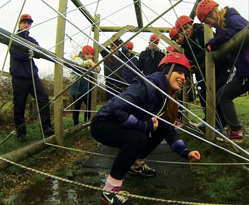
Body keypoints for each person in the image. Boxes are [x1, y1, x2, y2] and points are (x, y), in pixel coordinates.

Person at [90, 52, 201, 204]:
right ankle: (110, 191)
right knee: (138, 137)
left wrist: (186, 152)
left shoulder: (167, 98)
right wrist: (143, 125)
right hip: (104, 123)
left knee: (160, 127)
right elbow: (117, 109)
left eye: (186, 75)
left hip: (122, 124)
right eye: (179, 72)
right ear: (167, 71)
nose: (183, 78)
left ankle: (136, 166)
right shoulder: (147, 85)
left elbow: (168, 130)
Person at [196, 0, 249, 160]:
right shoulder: (222, 27)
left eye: (207, 20)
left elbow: (248, 34)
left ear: (213, 12)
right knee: (223, 94)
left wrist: (220, 40)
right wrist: (214, 42)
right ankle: (235, 129)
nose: (208, 25)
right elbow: (222, 37)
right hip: (245, 74)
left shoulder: (232, 19)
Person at [175, 15, 232, 133]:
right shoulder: (187, 43)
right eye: (182, 30)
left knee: (217, 93)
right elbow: (191, 59)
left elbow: (209, 48)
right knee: (202, 94)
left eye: (186, 27)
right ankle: (211, 122)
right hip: (208, 71)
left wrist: (197, 60)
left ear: (192, 24)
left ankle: (223, 124)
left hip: (222, 66)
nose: (186, 31)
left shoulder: (202, 30)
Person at [9, 14, 54, 142]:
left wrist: (34, 52)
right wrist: (29, 52)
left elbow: (39, 52)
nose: (27, 24)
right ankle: (21, 133)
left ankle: (46, 127)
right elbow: (16, 53)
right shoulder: (14, 38)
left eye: (29, 23)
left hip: (32, 76)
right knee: (19, 105)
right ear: (19, 24)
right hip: (19, 77)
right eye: (24, 22)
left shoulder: (32, 40)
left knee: (43, 98)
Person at [70, 45, 100, 125]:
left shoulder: (91, 61)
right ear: (83, 54)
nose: (89, 56)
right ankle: (76, 125)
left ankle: (86, 122)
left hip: (87, 88)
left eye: (91, 54)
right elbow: (81, 64)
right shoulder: (77, 58)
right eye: (87, 54)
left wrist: (95, 66)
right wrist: (90, 62)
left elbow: (98, 70)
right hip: (77, 88)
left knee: (89, 106)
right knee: (77, 107)